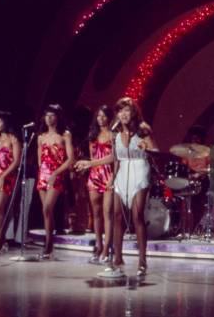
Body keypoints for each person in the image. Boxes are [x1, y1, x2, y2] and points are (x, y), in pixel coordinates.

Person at [76, 97, 157, 277]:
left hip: (139, 169)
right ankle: (117, 258)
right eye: (120, 111)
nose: (123, 114)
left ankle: (142, 261)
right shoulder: (116, 133)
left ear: (134, 112)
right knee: (117, 215)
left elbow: (156, 151)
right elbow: (114, 157)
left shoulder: (143, 130)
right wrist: (91, 164)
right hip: (122, 173)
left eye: (127, 110)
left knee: (137, 216)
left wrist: (148, 148)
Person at [37, 104, 74, 259]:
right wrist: (43, 173)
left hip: (56, 175)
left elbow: (70, 159)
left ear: (58, 117)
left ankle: (49, 244)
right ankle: (48, 244)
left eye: (52, 115)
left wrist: (56, 173)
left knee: (47, 208)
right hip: (43, 175)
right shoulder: (41, 137)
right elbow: (40, 159)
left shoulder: (65, 135)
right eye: (47, 115)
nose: (49, 118)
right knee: (46, 212)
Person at [83, 105, 114, 264]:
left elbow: (116, 159)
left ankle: (107, 248)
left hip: (109, 176)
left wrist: (113, 178)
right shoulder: (92, 135)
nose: (101, 119)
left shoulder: (114, 135)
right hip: (94, 175)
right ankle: (98, 244)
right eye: (99, 116)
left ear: (109, 117)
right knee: (95, 213)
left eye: (104, 116)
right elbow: (92, 157)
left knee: (107, 213)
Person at [0, 111, 21, 254]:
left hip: (6, 177)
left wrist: (3, 176)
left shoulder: (13, 139)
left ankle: (0, 242)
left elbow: (16, 161)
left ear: (6, 123)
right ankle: (1, 240)